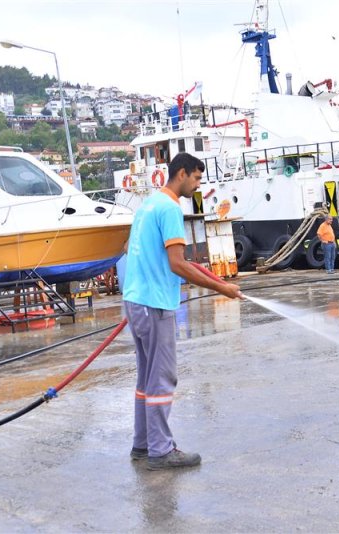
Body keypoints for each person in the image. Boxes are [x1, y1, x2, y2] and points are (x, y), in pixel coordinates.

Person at [123, 152, 242, 471]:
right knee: (162, 376)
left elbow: (169, 259)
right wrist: (223, 288)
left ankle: (143, 444)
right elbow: (177, 265)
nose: (198, 185)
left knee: (147, 376)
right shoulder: (170, 208)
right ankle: (161, 450)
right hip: (154, 303)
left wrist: (208, 276)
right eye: (197, 179)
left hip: (136, 301)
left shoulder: (147, 205)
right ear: (182, 174)